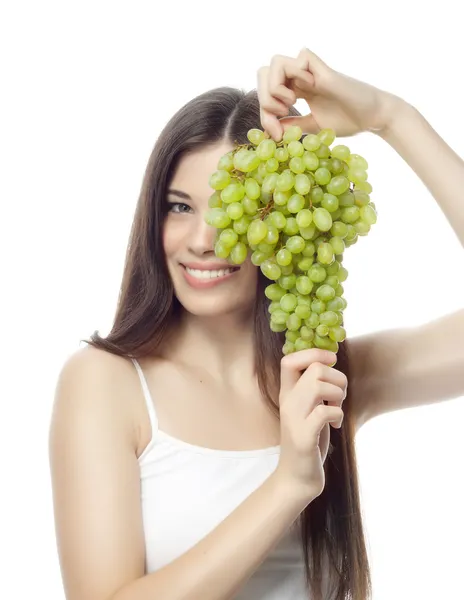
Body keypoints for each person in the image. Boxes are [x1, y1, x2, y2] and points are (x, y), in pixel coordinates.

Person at [48, 48, 464, 600]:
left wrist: (391, 117)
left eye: (231, 208)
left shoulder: (327, 380)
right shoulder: (106, 383)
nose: (202, 239)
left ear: (281, 216)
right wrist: (288, 484)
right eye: (179, 207)